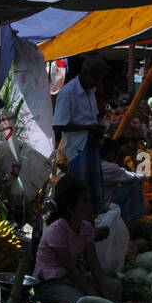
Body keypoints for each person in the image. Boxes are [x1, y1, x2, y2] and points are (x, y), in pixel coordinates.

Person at [33, 176, 120, 303]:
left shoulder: (86, 227)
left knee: (116, 287)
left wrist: (108, 297)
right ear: (70, 209)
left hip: (72, 278)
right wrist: (96, 297)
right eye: (85, 202)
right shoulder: (56, 231)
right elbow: (71, 269)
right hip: (50, 282)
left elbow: (93, 263)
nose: (90, 206)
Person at [53, 55, 109, 211]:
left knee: (93, 190)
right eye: (95, 78)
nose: (97, 82)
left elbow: (91, 117)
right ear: (85, 73)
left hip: (90, 145)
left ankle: (92, 222)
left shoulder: (90, 91)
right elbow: (59, 125)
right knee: (79, 193)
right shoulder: (68, 92)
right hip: (76, 149)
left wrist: (96, 127)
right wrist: (89, 128)